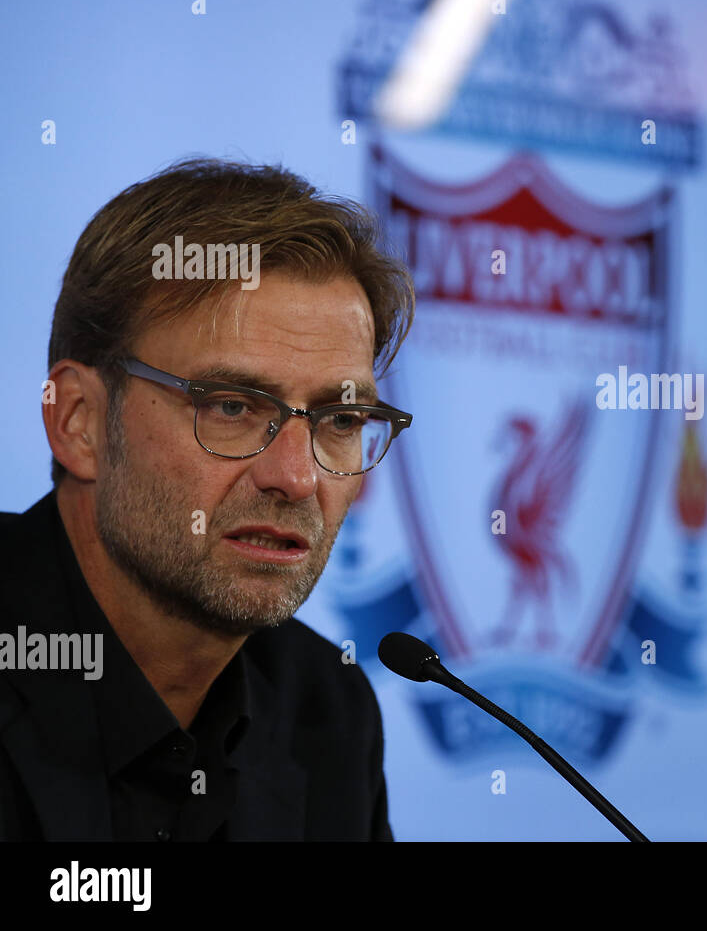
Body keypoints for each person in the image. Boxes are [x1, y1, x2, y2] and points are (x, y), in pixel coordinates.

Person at [0, 158, 416, 840]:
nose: (296, 477)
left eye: (340, 421)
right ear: (79, 420)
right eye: (231, 406)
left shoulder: (327, 714)